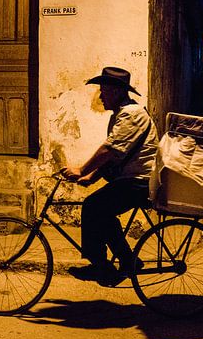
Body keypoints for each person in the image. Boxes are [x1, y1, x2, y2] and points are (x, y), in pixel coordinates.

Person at [62, 66, 158, 286]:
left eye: (103, 91)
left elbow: (110, 150)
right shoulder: (122, 114)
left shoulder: (131, 115)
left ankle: (101, 266)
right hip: (130, 180)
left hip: (139, 182)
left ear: (115, 91)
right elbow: (116, 156)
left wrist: (81, 170)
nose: (100, 97)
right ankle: (127, 260)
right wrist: (92, 178)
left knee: (93, 207)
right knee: (100, 210)